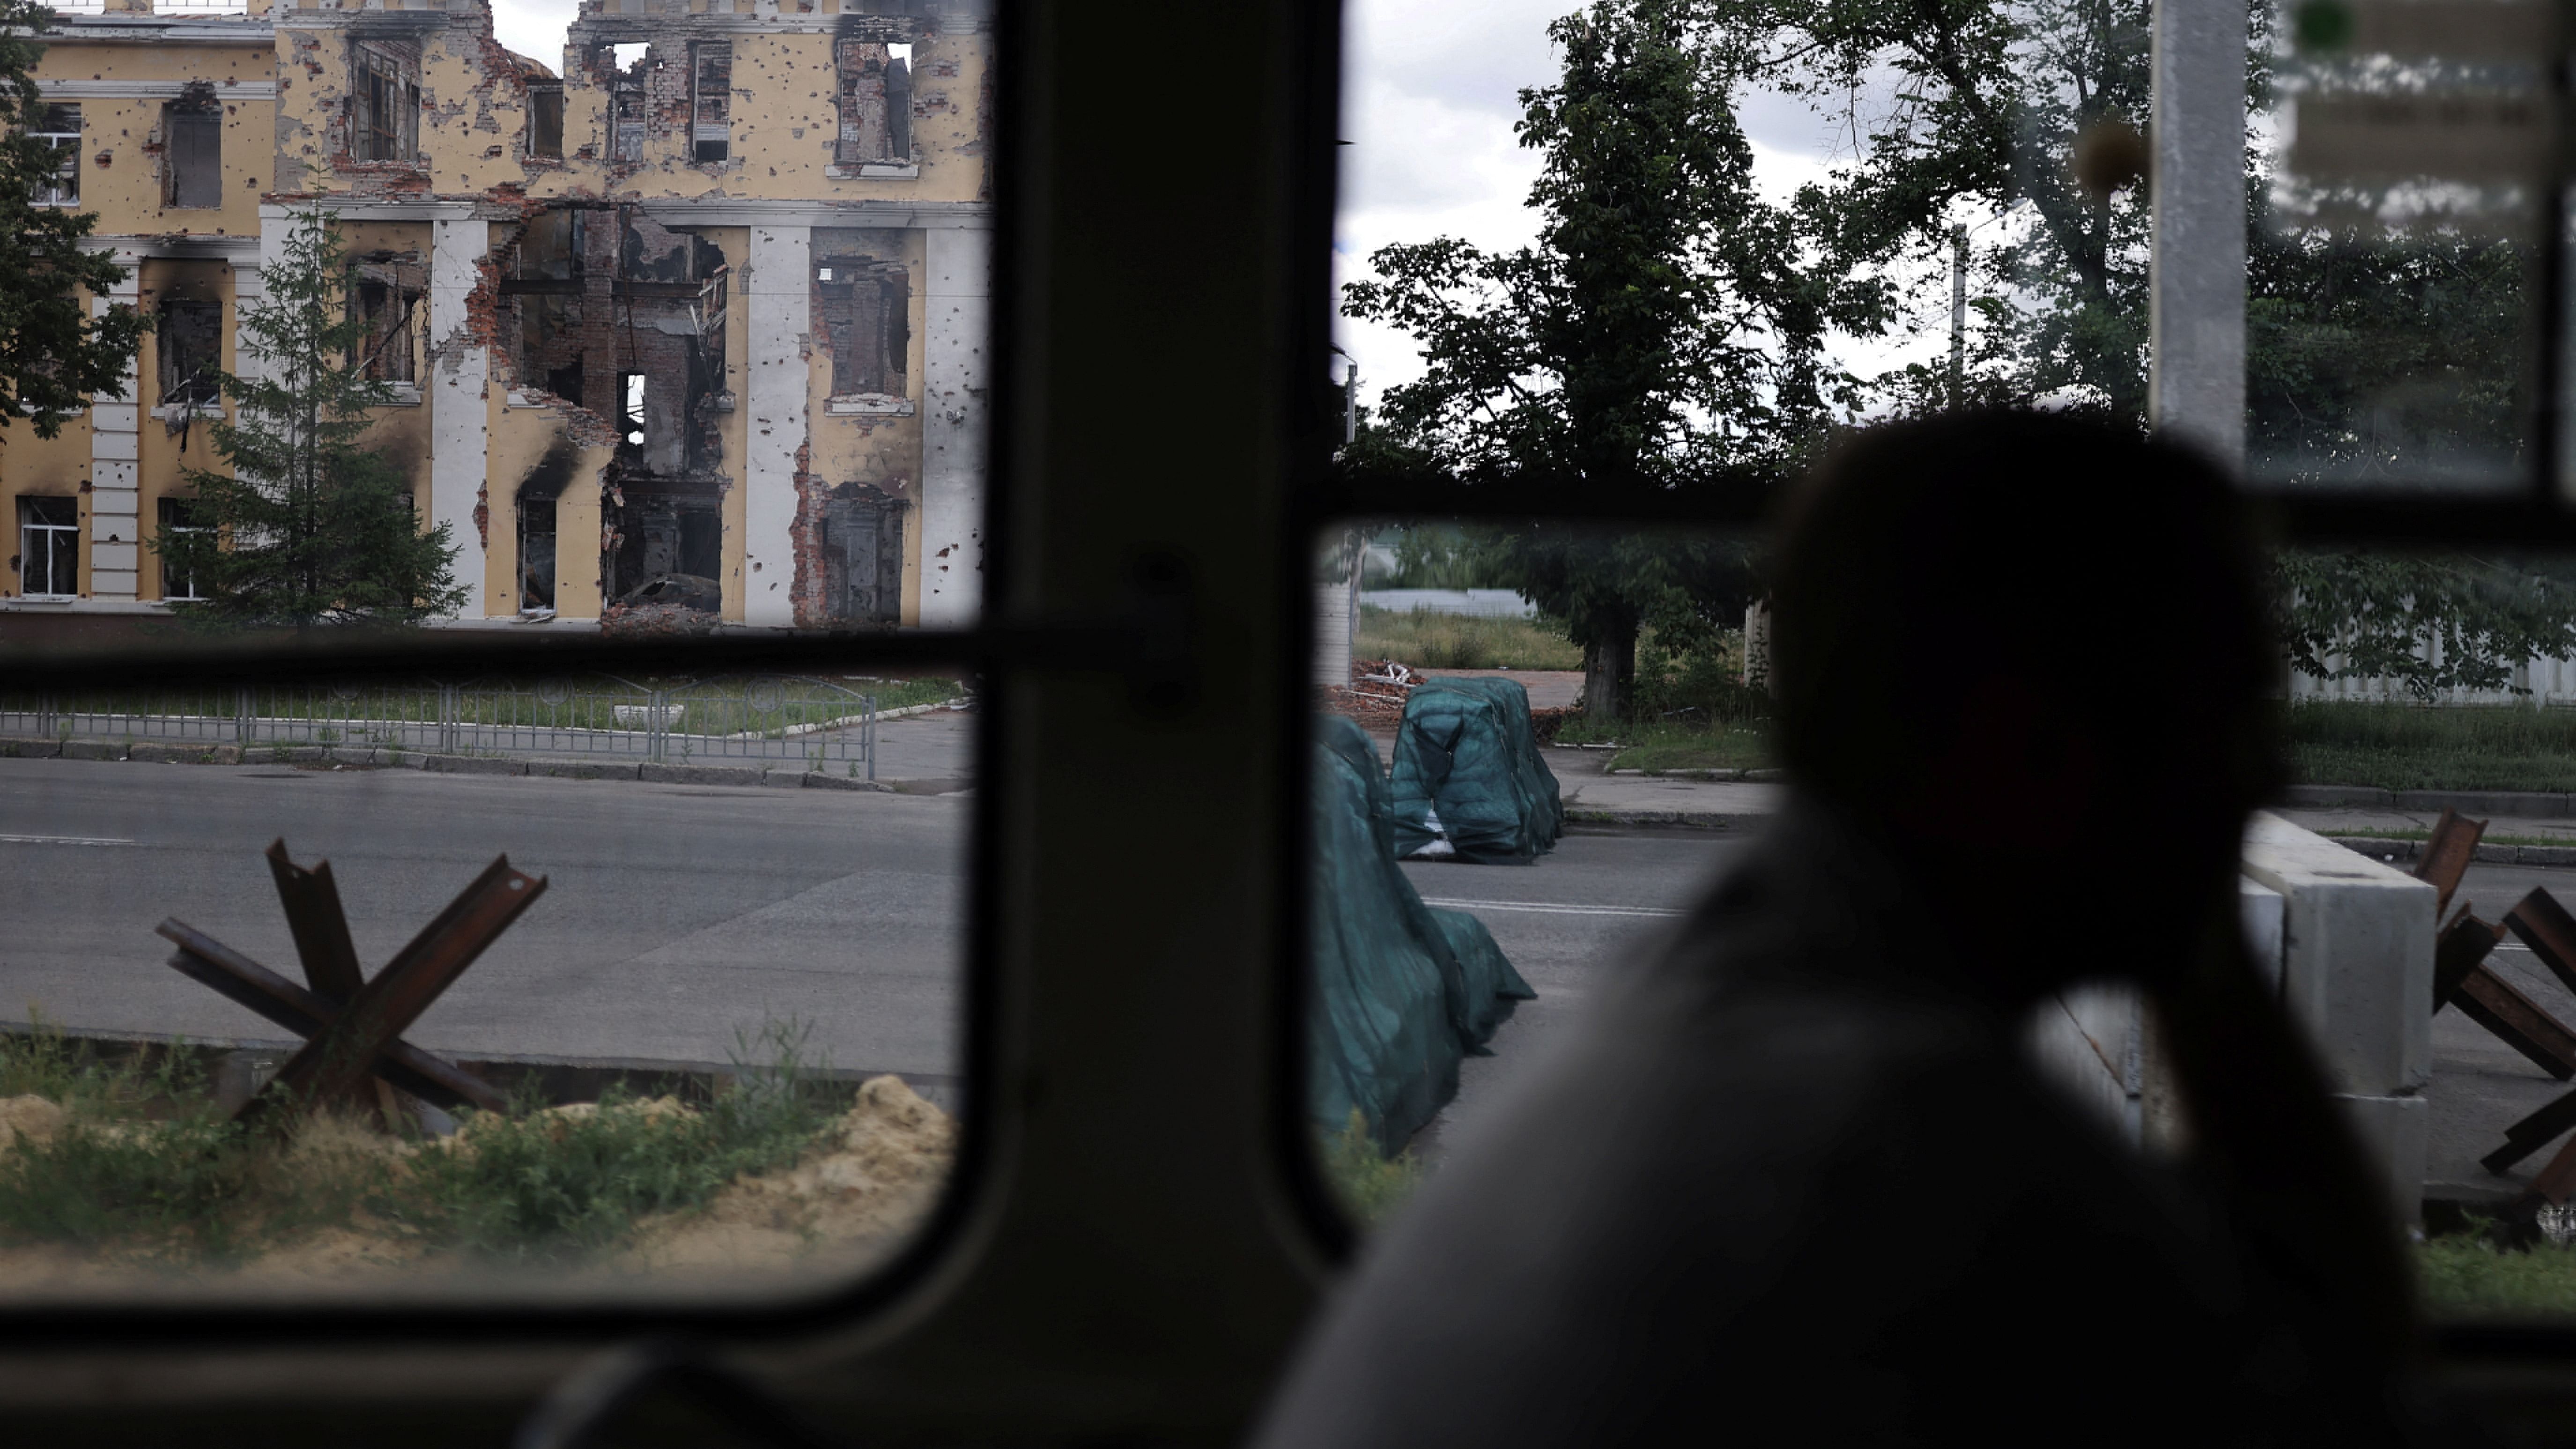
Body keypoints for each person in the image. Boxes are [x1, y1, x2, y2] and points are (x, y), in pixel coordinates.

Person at [1253, 412, 2439, 1444]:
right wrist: (2198, 941)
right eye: (2226, 713)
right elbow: (2353, 1395)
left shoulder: (1727, 995)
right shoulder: (1916, 1157)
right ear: (2030, 743)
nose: (2269, 769)